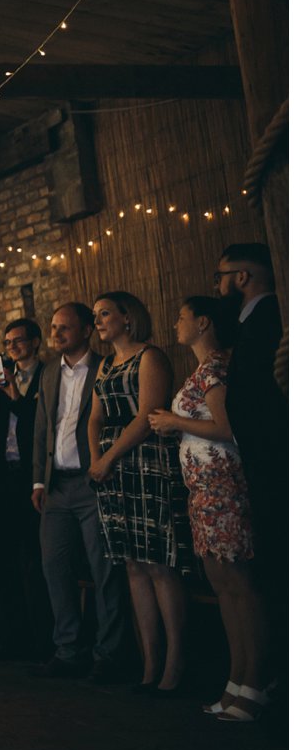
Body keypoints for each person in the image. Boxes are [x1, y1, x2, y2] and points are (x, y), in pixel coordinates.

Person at [151, 295, 268, 721]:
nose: (176, 323)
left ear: (203, 323)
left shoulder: (217, 369)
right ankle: (235, 681)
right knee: (222, 586)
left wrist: (175, 422)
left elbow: (226, 427)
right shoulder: (200, 371)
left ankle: (254, 683)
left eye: (181, 316)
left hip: (224, 488)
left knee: (240, 585)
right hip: (202, 490)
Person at [86, 292, 190, 692]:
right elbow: (94, 417)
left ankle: (176, 664)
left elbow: (147, 416)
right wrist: (97, 459)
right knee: (132, 563)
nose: (98, 321)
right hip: (110, 469)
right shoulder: (106, 365)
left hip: (145, 461)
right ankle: (149, 662)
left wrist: (108, 457)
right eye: (94, 315)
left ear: (128, 318)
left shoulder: (149, 357)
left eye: (104, 314)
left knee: (159, 564)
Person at [31, 303, 127, 681]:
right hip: (56, 486)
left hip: (93, 483)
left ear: (87, 330)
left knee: (105, 570)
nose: (56, 334)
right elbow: (43, 428)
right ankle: (68, 649)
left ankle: (110, 654)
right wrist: (38, 480)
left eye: (65, 328)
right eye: (53, 327)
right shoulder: (50, 371)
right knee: (54, 566)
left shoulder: (105, 367)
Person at [213, 242, 283, 660]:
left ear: (242, 277)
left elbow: (261, 394)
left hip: (270, 456)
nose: (218, 285)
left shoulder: (268, 319)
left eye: (221, 276)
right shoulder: (249, 322)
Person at [0, 318, 50, 659]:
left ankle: (41, 642)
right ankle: (10, 640)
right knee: (3, 561)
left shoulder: (47, 376)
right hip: (2, 478)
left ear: (35, 342)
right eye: (8, 343)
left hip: (31, 476)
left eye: (19, 341)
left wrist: (15, 396)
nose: (13, 348)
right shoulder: (1, 377)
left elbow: (39, 422)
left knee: (34, 562)